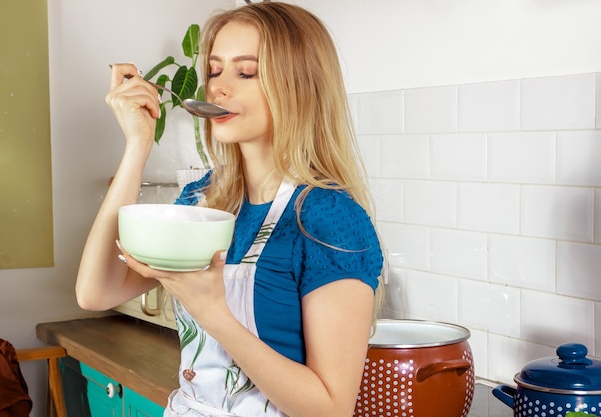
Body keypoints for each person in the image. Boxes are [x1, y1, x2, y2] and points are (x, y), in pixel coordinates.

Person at [75, 2, 384, 417]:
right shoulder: (205, 199)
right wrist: (138, 145)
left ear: (300, 86)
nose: (217, 87)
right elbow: (97, 292)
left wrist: (211, 313)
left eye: (246, 72)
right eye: (215, 70)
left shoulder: (326, 217)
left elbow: (330, 408)